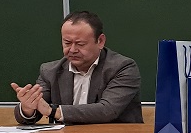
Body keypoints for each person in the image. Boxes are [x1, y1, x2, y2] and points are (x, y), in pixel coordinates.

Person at [11, 11, 142, 124]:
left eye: (80, 44)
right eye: (67, 43)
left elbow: (107, 110)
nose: (72, 50)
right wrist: (28, 107)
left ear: (100, 41)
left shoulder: (123, 67)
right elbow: (37, 108)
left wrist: (54, 111)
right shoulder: (50, 71)